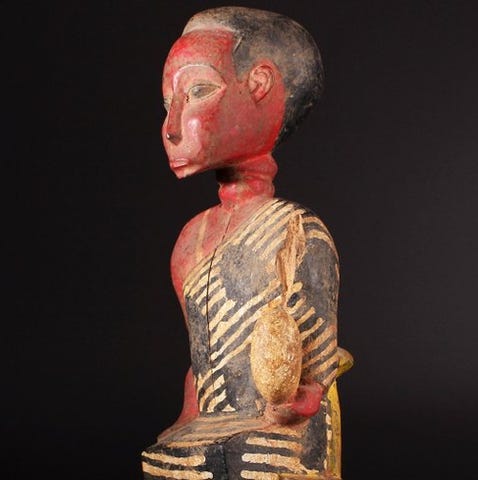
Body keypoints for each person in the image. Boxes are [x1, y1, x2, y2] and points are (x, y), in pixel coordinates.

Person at [142, 7, 351, 480]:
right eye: (168, 103)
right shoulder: (191, 239)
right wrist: (188, 419)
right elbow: (202, 363)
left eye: (199, 91)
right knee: (169, 456)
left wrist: (301, 398)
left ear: (260, 85)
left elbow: (319, 357)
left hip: (278, 432)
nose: (171, 126)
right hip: (216, 425)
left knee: (245, 458)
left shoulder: (295, 229)